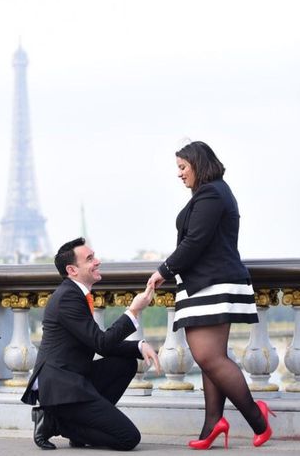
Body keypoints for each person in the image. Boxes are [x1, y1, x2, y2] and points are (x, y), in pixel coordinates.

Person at [147, 141, 275, 450]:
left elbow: (196, 241)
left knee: (208, 357)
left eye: (182, 167)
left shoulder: (212, 193)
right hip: (205, 283)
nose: (179, 174)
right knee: (210, 359)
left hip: (214, 283)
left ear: (198, 164)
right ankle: (212, 423)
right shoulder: (212, 193)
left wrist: (163, 269)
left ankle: (258, 418)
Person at [22, 237, 160, 450]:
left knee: (126, 363)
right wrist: (133, 310)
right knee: (128, 438)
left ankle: (79, 428)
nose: (97, 261)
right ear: (72, 270)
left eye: (94, 256)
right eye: (90, 258)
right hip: (62, 387)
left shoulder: (76, 294)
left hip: (75, 377)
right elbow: (101, 343)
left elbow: (96, 341)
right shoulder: (68, 297)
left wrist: (138, 346)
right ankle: (55, 421)